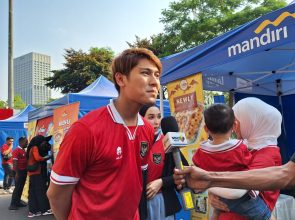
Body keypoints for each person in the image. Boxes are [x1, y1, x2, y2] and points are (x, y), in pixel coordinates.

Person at [173, 35, 295, 192]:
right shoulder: (246, 147)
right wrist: (210, 180)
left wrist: (212, 183)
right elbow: (287, 174)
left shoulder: (264, 152)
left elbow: (254, 190)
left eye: (237, 122)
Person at [47, 48, 162, 220]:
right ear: (121, 78)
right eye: (145, 73)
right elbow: (57, 194)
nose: (154, 82)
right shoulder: (86, 130)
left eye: (157, 75)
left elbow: (135, 182)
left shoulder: (146, 128)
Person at [192, 103, 273, 220]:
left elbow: (197, 169)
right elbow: (249, 164)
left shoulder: (201, 152)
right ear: (234, 125)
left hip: (219, 196)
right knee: (265, 215)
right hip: (241, 197)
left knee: (216, 212)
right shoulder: (239, 147)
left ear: (206, 129)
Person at [139, 105, 188, 220]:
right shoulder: (133, 141)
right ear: (141, 119)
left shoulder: (167, 142)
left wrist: (162, 182)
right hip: (139, 203)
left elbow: (183, 171)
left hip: (163, 203)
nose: (156, 122)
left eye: (159, 117)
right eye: (151, 117)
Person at [26, 135, 53, 218]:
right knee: (40, 191)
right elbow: (38, 158)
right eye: (42, 142)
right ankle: (44, 210)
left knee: (33, 193)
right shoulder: (34, 147)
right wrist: (48, 157)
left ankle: (33, 211)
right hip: (36, 173)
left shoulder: (30, 148)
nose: (43, 144)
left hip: (32, 174)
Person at [9, 136, 28, 210]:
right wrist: (17, 173)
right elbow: (15, 163)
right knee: (17, 188)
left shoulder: (24, 150)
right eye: (25, 142)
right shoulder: (16, 150)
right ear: (21, 142)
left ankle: (18, 202)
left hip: (23, 171)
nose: (27, 143)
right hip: (18, 171)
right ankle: (12, 205)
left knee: (21, 188)